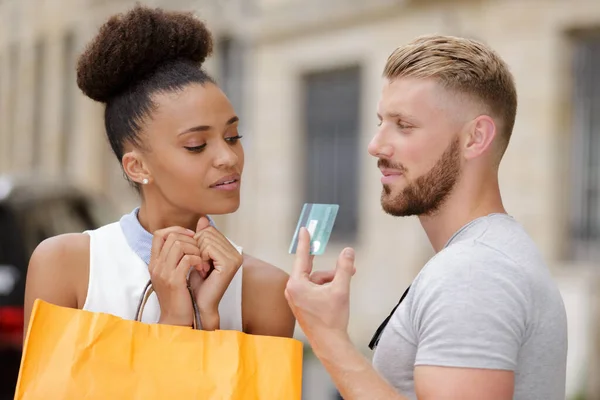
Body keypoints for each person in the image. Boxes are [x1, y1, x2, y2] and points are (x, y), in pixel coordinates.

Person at [285, 35, 568, 400]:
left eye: (404, 125)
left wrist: (327, 337)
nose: (375, 145)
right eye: (380, 121)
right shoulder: (485, 258)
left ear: (474, 138)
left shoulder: (474, 273)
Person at [24, 5, 295, 337]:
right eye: (196, 144)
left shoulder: (266, 290)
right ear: (137, 166)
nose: (228, 157)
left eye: (232, 136)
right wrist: (174, 322)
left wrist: (208, 318)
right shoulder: (65, 265)